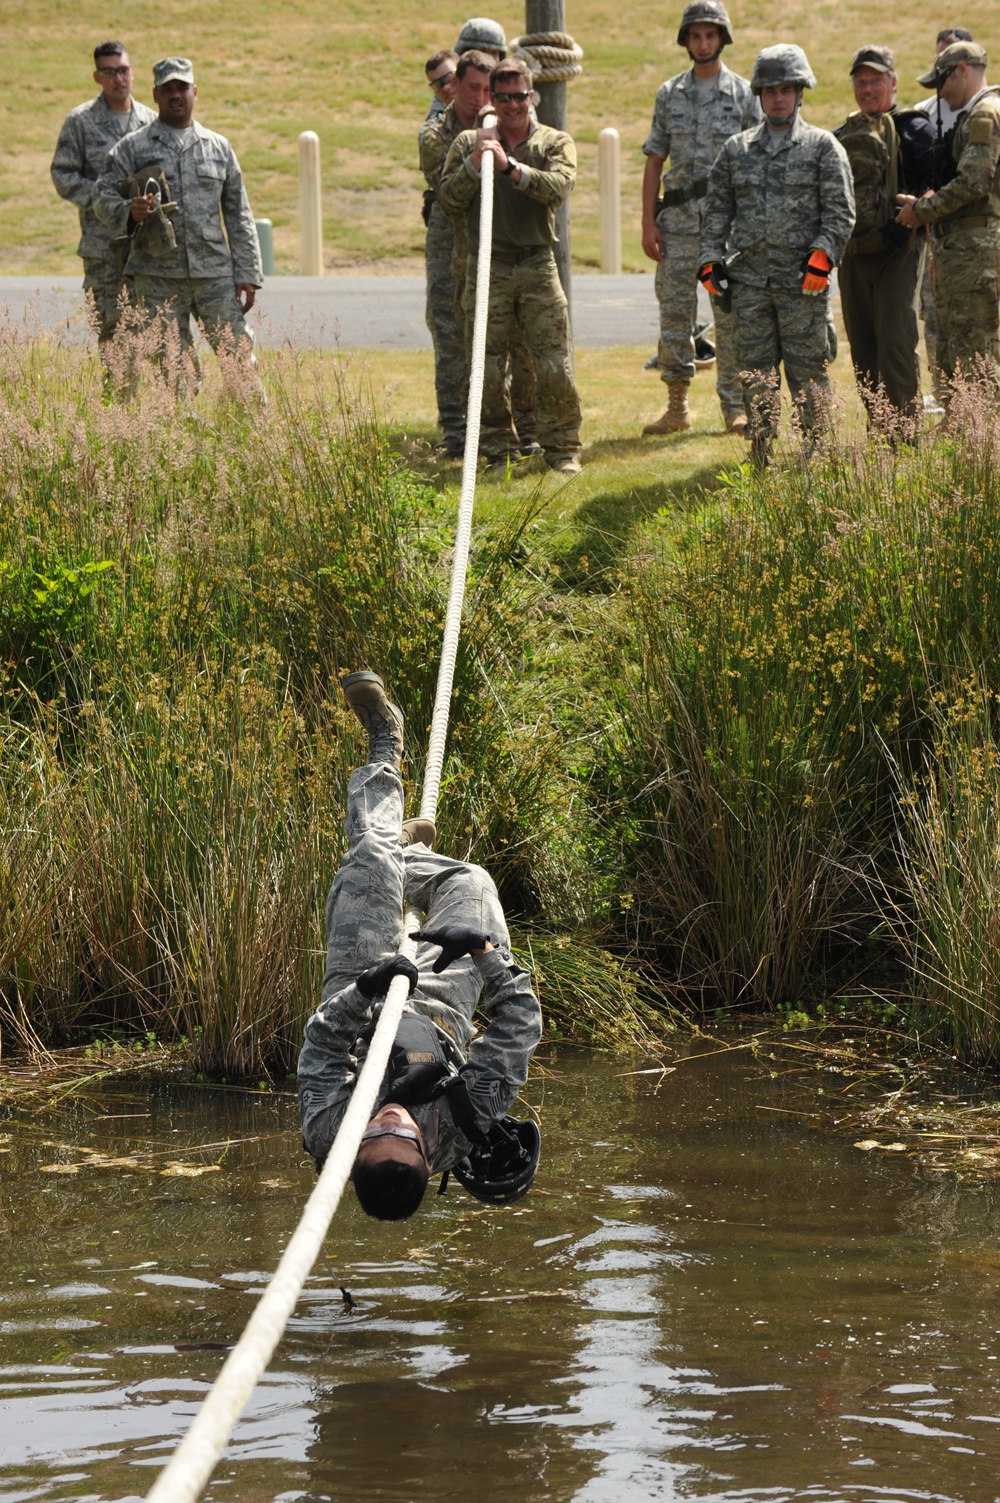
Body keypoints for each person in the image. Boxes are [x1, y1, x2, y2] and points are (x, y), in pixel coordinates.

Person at [297, 672, 542, 1221]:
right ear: (427, 1157)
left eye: (375, 1132)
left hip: (361, 983)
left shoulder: (328, 1131)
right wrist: (482, 952)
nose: (389, 1119)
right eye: (401, 1134)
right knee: (472, 881)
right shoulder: (463, 1124)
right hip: (441, 1002)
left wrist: (362, 992)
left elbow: (320, 1047)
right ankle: (396, 850)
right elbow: (519, 1026)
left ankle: (385, 748)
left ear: (354, 1154)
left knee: (371, 857)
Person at [699, 44, 855, 462]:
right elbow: (715, 211)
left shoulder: (823, 147)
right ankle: (761, 453)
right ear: (759, 95)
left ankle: (815, 454)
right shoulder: (736, 150)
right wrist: (708, 258)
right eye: (770, 91)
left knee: (808, 375)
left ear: (801, 93)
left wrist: (823, 255)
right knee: (755, 376)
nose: (779, 98)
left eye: (787, 89)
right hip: (749, 285)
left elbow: (840, 211)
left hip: (803, 284)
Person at [438, 58, 582, 473]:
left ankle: (563, 448)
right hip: (488, 267)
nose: (513, 105)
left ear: (532, 96)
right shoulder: (470, 142)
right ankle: (496, 450)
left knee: (554, 364)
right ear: (493, 100)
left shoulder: (554, 141)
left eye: (520, 96)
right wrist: (474, 165)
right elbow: (448, 200)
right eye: (503, 98)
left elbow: (559, 187)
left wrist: (510, 168)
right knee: (484, 368)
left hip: (537, 264)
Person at [93, 57, 262, 382]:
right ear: (155, 94)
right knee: (172, 370)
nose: (175, 95)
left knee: (239, 360)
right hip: (156, 277)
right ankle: (181, 429)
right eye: (167, 89)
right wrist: (129, 210)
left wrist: (248, 272)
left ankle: (258, 429)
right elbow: (101, 198)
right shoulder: (133, 148)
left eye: (182, 88)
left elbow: (239, 214)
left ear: (194, 92)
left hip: (213, 274)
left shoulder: (218, 148)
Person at [640, 1, 759, 438]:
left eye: (711, 35)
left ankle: (733, 407)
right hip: (675, 223)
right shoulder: (669, 93)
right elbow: (654, 160)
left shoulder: (745, 94)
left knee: (728, 316)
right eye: (696, 35)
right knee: (674, 315)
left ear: (722, 39)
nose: (703, 43)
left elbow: (757, 159)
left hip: (724, 226)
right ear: (686, 40)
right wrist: (647, 222)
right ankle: (677, 407)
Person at [834, 47, 936, 428]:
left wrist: (912, 215)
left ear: (893, 83)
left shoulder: (914, 129)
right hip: (854, 254)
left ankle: (906, 437)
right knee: (863, 350)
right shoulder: (843, 133)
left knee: (895, 344)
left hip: (901, 251)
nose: (867, 88)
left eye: (876, 80)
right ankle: (881, 432)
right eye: (860, 81)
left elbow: (941, 186)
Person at [896, 41, 1000, 400]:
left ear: (962, 70)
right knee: (966, 350)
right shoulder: (982, 112)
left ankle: (983, 442)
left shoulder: (984, 115)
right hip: (967, 253)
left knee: (977, 354)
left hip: (975, 255)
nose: (940, 92)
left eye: (942, 80)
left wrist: (921, 211)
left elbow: (974, 181)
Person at [50, 41, 156, 353]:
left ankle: (159, 401)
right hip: (103, 247)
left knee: (155, 329)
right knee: (112, 331)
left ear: (133, 73)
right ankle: (118, 400)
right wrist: (108, 203)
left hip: (148, 246)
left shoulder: (151, 122)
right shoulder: (80, 121)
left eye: (123, 70)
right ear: (97, 77)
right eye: (109, 72)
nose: (118, 79)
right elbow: (63, 175)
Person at [421, 51, 494, 459]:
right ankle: (454, 428)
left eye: (485, 88)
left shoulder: (504, 124)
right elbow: (448, 188)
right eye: (443, 84)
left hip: (496, 237)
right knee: (449, 330)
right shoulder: (434, 135)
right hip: (449, 238)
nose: (464, 93)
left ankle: (500, 426)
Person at [913, 27, 975, 406]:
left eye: (951, 56)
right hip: (935, 234)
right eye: (940, 56)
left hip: (976, 234)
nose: (945, 63)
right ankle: (944, 393)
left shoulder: (983, 108)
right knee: (935, 316)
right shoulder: (924, 113)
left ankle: (978, 402)